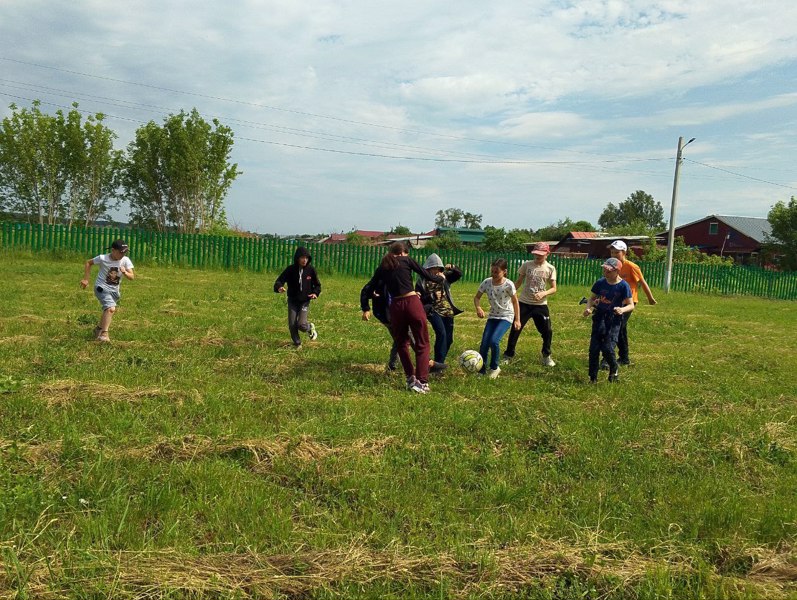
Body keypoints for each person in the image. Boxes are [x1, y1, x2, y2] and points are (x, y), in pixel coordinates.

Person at [361, 241, 444, 394]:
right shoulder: (407, 260)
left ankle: (410, 378)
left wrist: (367, 304)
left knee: (401, 343)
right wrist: (441, 278)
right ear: (403, 253)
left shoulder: (383, 267)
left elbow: (369, 288)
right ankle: (422, 382)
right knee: (422, 343)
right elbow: (426, 275)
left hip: (395, 307)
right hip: (412, 302)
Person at [502, 242, 557, 366]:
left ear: (547, 254)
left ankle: (546, 355)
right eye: (536, 254)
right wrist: (510, 294)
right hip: (524, 303)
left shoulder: (550, 268)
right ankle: (508, 355)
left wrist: (544, 293)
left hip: (541, 305)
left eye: (541, 254)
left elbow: (554, 288)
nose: (538, 256)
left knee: (547, 331)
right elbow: (518, 282)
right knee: (516, 328)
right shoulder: (527, 265)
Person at [582, 257, 634, 383]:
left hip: (614, 320)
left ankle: (614, 369)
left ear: (617, 271)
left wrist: (622, 310)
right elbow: (591, 298)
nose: (606, 273)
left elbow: (630, 305)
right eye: (604, 270)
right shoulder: (600, 283)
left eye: (609, 271)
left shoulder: (623, 286)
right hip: (599, 317)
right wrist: (588, 308)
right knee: (594, 348)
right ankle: (592, 378)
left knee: (607, 347)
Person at [607, 240, 657, 366]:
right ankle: (624, 358)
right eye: (612, 252)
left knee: (615, 328)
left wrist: (650, 298)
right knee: (621, 329)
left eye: (617, 252)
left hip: (629, 303)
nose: (614, 254)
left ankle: (607, 359)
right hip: (615, 302)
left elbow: (642, 282)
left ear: (624, 252)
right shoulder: (611, 265)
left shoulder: (631, 266)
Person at [473, 258, 521, 379]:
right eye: (492, 271)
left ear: (504, 271)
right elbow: (477, 297)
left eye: (496, 272)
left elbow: (515, 302)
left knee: (494, 341)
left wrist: (517, 319)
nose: (494, 274)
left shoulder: (508, 284)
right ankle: (481, 370)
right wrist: (478, 308)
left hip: (506, 316)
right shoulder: (487, 282)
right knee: (484, 343)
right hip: (493, 316)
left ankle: (494, 368)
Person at [360, 268, 416, 371]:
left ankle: (393, 365)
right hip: (386, 315)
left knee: (400, 338)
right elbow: (365, 292)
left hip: (400, 313)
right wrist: (366, 309)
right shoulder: (380, 280)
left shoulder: (402, 280)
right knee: (408, 335)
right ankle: (426, 362)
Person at [79, 239, 135, 343]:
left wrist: (125, 273)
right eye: (121, 252)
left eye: (125, 252)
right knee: (110, 309)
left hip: (114, 290)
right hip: (101, 287)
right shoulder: (102, 258)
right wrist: (86, 279)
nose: (123, 254)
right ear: (113, 250)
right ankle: (104, 335)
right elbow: (88, 263)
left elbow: (132, 277)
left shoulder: (125, 260)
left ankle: (98, 329)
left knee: (107, 310)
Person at [415, 253, 463, 373]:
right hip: (433, 310)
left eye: (438, 269)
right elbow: (419, 300)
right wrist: (432, 296)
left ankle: (437, 363)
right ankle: (438, 368)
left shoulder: (444, 277)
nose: (436, 272)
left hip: (447, 310)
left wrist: (452, 267)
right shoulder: (421, 281)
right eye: (433, 269)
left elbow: (458, 274)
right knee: (441, 334)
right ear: (428, 269)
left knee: (449, 339)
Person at [274, 247, 321, 348]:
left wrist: (315, 293)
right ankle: (297, 343)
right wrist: (279, 287)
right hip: (292, 301)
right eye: (302, 258)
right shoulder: (290, 270)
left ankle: (310, 328)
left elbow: (317, 285)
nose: (305, 260)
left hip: (305, 301)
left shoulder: (311, 270)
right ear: (297, 258)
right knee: (292, 324)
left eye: (306, 258)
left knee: (301, 324)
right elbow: (279, 281)